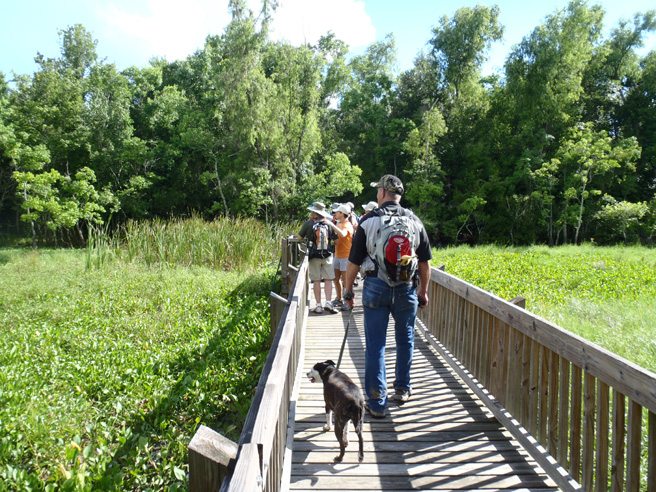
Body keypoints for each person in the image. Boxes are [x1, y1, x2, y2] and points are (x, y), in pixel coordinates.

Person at [343, 175, 431, 418]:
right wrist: (423, 291)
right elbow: (424, 262)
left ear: (382, 193)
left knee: (376, 345)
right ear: (399, 195)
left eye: (377, 190)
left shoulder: (368, 221)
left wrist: (348, 292)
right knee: (405, 340)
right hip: (406, 289)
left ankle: (377, 402)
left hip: (375, 288)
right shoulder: (414, 221)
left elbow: (352, 264)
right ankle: (402, 389)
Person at [297, 201, 339, 314]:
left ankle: (318, 305)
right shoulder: (328, 223)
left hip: (313, 256)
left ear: (315, 213)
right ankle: (329, 303)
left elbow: (299, 238)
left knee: (316, 281)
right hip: (328, 255)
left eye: (311, 211)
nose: (310, 213)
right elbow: (337, 241)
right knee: (328, 280)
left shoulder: (308, 224)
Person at [331, 203, 354, 310]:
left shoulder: (347, 225)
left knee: (346, 281)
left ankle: (348, 302)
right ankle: (338, 298)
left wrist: (331, 225)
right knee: (335, 279)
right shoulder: (339, 223)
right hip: (337, 255)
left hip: (346, 256)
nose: (335, 213)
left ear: (342, 213)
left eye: (337, 212)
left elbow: (343, 234)